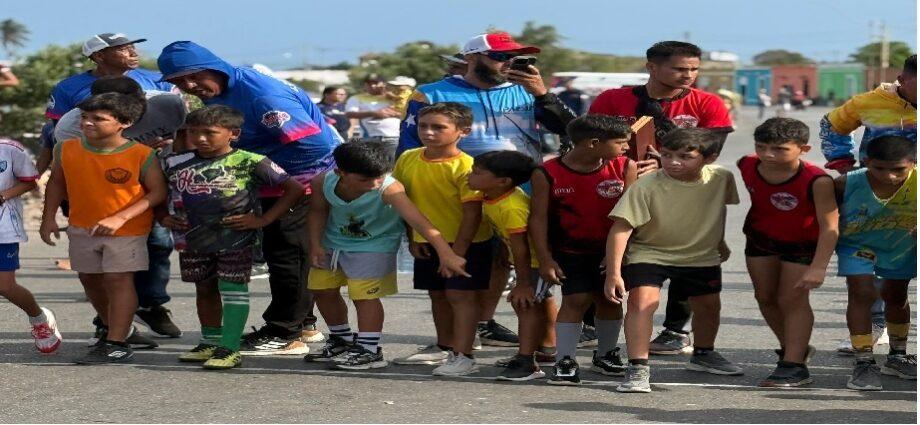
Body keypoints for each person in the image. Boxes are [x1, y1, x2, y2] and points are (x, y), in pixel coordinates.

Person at [158, 40, 341, 355]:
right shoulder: (224, 89)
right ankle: (305, 325)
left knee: (289, 258)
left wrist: (244, 161)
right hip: (271, 184)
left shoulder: (262, 95)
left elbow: (313, 147)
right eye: (178, 82)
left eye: (193, 77)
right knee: (283, 255)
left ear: (213, 66)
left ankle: (285, 332)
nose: (189, 86)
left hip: (300, 183)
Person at [398, 32, 577, 347]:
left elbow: (570, 129)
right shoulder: (430, 93)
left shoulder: (527, 91)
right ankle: (455, 338)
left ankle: (490, 325)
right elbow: (408, 150)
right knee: (463, 259)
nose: (507, 62)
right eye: (498, 56)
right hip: (454, 190)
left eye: (513, 57)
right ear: (470, 57)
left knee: (514, 263)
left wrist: (542, 94)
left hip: (519, 193)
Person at [589, 41, 734, 355]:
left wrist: (666, 162)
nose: (688, 75)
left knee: (683, 253)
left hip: (680, 195)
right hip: (617, 189)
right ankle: (593, 318)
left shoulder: (708, 103)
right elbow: (590, 140)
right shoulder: (613, 98)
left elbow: (711, 151)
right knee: (607, 255)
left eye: (694, 69)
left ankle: (675, 330)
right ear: (651, 67)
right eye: (680, 68)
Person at [37, 33, 181, 338]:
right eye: (120, 48)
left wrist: (167, 148)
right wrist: (50, 210)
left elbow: (186, 139)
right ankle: (110, 323)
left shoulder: (165, 98)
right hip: (98, 194)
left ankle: (148, 307)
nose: (131, 51)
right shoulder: (72, 123)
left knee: (155, 246)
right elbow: (67, 170)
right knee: (94, 273)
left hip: (147, 187)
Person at [304, 142, 468, 370]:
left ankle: (369, 350)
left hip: (375, 245)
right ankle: (341, 340)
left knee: (364, 296)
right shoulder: (323, 181)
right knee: (322, 290)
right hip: (332, 243)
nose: (373, 184)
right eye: (364, 180)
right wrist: (315, 245)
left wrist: (446, 253)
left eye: (378, 177)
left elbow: (419, 221)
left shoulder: (389, 188)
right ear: (340, 172)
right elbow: (317, 211)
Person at [163, 106, 303, 369]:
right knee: (204, 288)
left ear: (233, 133)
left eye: (209, 132)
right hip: (192, 240)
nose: (200, 138)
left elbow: (294, 189)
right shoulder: (175, 162)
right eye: (194, 132)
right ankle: (210, 341)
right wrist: (163, 216)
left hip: (235, 238)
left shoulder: (252, 161)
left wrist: (263, 219)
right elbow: (159, 193)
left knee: (232, 290)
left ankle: (230, 347)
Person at [606, 128, 740, 393]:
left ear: (709, 158)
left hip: (700, 254)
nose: (673, 162)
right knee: (642, 303)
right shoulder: (646, 185)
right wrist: (614, 272)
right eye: (666, 155)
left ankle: (703, 354)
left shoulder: (721, 178)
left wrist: (720, 241)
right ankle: (637, 368)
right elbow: (621, 228)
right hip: (650, 251)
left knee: (708, 305)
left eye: (684, 156)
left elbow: (718, 209)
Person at [40, 93, 167, 364]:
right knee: (89, 279)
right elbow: (57, 184)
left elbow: (156, 193)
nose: (88, 123)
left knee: (118, 280)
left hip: (127, 230)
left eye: (98, 119)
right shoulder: (66, 148)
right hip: (82, 227)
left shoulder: (141, 154)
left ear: (125, 122)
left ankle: (116, 342)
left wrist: (120, 218)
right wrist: (48, 217)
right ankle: (117, 328)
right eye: (85, 117)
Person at [529, 114, 637, 385]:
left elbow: (632, 216)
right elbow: (538, 219)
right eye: (621, 142)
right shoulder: (547, 172)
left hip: (612, 252)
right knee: (575, 301)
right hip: (570, 251)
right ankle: (565, 360)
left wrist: (619, 254)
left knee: (610, 300)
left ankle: (606, 353)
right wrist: (545, 258)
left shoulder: (625, 167)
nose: (626, 148)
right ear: (593, 143)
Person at [820, 55, 916, 355]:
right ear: (902, 80)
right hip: (876, 199)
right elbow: (831, 125)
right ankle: (876, 326)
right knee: (873, 267)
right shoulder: (868, 102)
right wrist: (844, 165)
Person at [390, 102, 494, 376]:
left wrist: (455, 254)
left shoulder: (467, 167)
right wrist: (412, 238)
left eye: (438, 127)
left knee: (460, 297)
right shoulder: (408, 158)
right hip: (426, 242)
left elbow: (472, 215)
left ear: (463, 131)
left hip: (467, 244)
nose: (429, 132)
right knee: (437, 295)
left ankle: (465, 355)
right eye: (424, 126)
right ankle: (445, 346)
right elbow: (403, 201)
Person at [740, 118, 839, 387]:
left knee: (792, 300)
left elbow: (830, 228)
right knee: (765, 296)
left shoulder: (817, 180)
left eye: (780, 149)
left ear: (803, 149)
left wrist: (819, 267)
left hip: (802, 244)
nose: (768, 155)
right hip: (761, 239)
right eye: (762, 147)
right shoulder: (746, 164)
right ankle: (795, 347)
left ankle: (794, 365)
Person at [467, 150, 558, 381]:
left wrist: (524, 284)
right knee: (542, 299)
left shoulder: (511, 207)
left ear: (503, 181)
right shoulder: (492, 196)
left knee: (525, 304)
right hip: (531, 262)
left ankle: (527, 362)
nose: (470, 176)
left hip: (538, 262)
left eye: (477, 173)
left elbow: (522, 248)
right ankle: (546, 349)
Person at [835, 136, 916, 391]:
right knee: (862, 293)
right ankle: (863, 361)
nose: (889, 176)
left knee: (896, 294)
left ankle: (897, 355)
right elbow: (824, 216)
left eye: (898, 170)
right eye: (879, 168)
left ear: (913, 163)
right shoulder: (844, 183)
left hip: (900, 243)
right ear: (867, 162)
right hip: (858, 244)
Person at [0, 137, 62, 354]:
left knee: (5, 286)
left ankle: (39, 319)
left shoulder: (9, 149)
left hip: (3, 229)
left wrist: (3, 196)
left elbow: (29, 181)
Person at [346, 74, 402, 161]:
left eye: (376, 83)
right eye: (368, 83)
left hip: (394, 137)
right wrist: (374, 113)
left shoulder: (396, 97)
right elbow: (350, 114)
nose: (372, 86)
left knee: (392, 167)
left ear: (383, 84)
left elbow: (405, 112)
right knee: (372, 166)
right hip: (370, 137)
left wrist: (394, 113)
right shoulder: (357, 98)